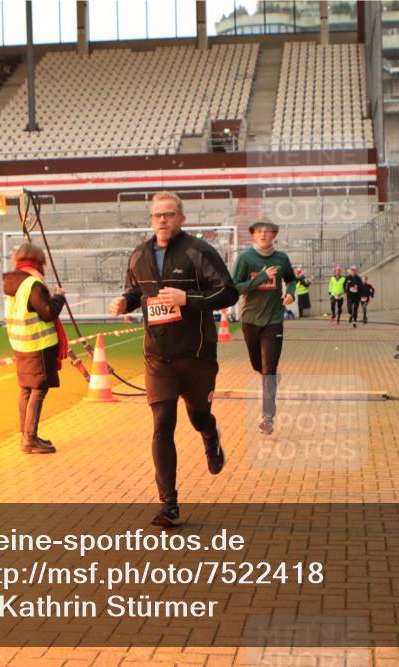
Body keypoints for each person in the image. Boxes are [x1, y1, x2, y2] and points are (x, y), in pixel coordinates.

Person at [109, 191, 239, 528]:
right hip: (158, 357)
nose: (162, 220)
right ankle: (169, 504)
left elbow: (228, 291)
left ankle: (210, 435)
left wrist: (188, 298)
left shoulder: (199, 251)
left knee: (198, 416)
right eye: (157, 215)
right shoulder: (139, 255)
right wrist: (125, 303)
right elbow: (137, 292)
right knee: (163, 424)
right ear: (150, 219)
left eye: (169, 214)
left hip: (196, 355)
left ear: (181, 218)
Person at [231, 218, 296, 435]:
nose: (262, 235)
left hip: (274, 320)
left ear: (274, 235)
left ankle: (267, 417)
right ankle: (271, 378)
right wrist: (261, 277)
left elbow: (292, 279)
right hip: (250, 320)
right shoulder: (245, 258)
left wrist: (290, 293)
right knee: (258, 365)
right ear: (253, 235)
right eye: (258, 231)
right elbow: (236, 288)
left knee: (268, 369)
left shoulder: (281, 258)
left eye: (267, 232)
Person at [3, 243, 67, 455]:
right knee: (39, 389)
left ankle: (27, 434)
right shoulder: (33, 283)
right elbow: (48, 312)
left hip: (20, 344)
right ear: (39, 261)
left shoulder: (13, 282)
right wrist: (59, 297)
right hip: (38, 345)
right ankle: (30, 439)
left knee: (26, 390)